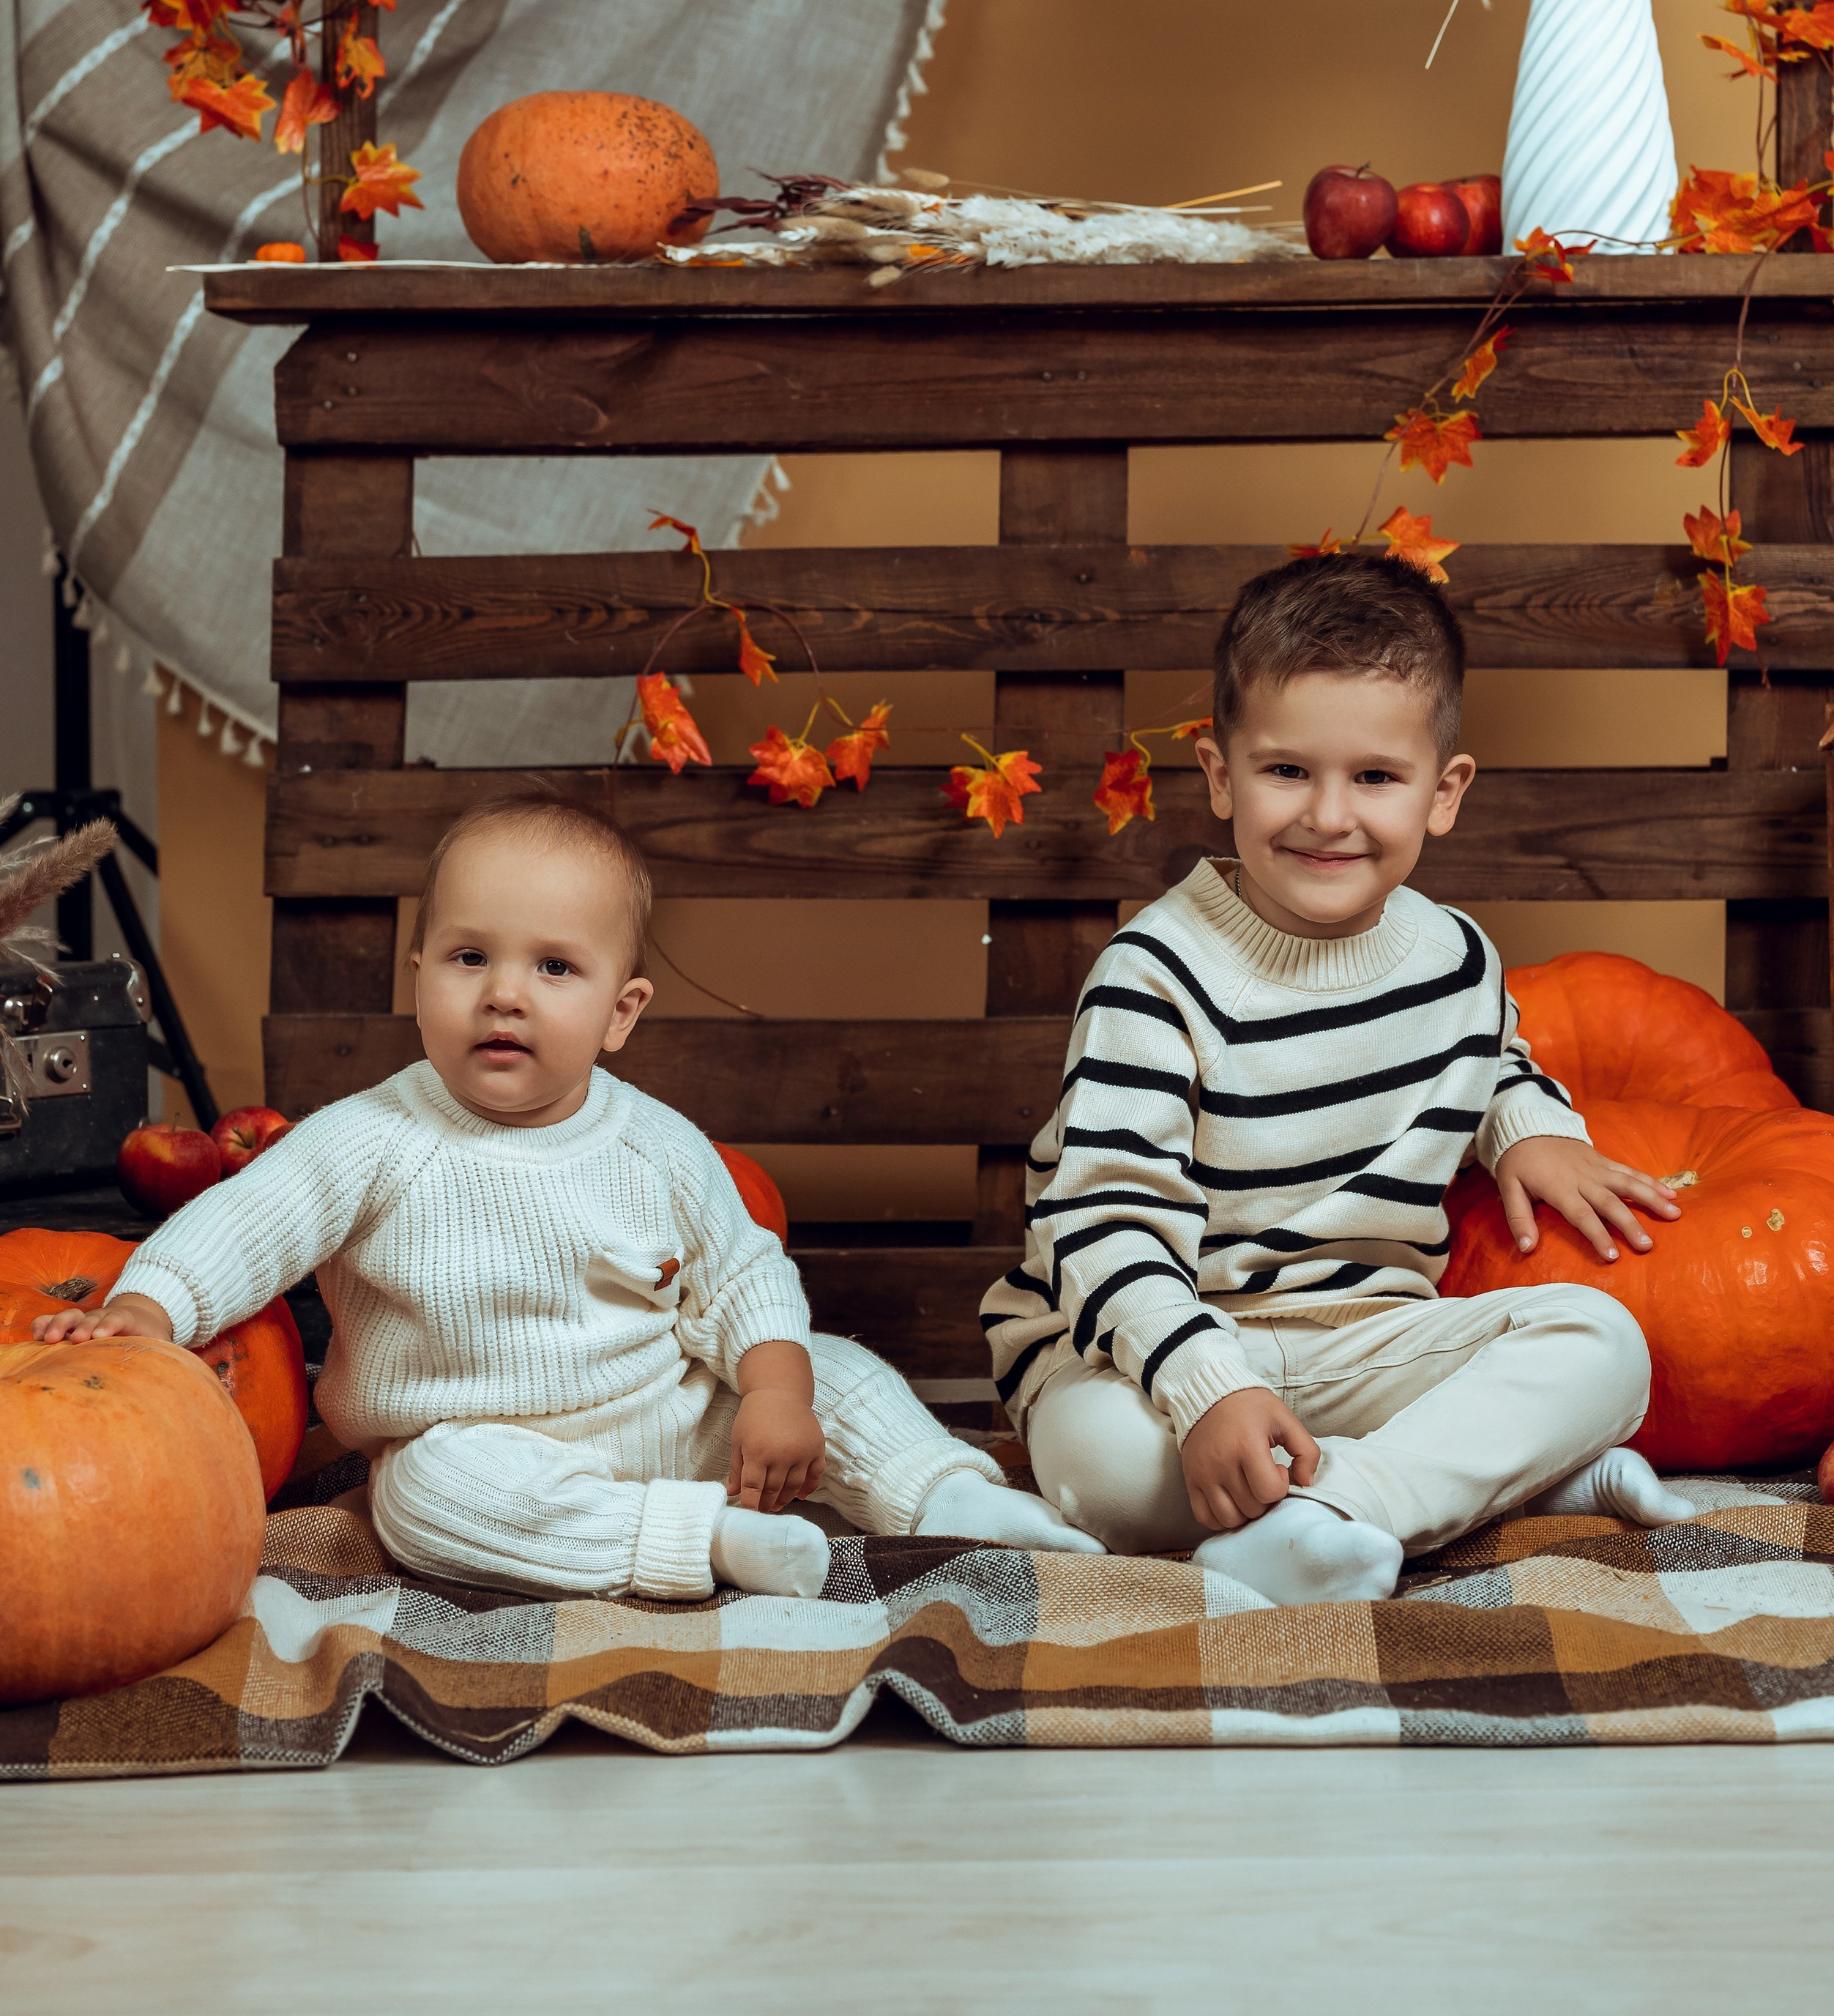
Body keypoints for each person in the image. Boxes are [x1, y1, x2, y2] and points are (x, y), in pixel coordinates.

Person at [37, 793, 1100, 1599]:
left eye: (553, 968)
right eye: (468, 957)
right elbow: (244, 1222)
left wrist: (775, 1393)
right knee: (419, 1503)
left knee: (840, 1374)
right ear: (419, 975)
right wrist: (151, 1306)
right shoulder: (369, 1138)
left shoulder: (654, 1143)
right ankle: (703, 1542)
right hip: (486, 1444)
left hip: (674, 1413)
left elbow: (742, 1277)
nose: (503, 992)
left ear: (620, 1011)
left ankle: (949, 1497)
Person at [980, 551, 1697, 1608]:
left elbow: (1492, 1057)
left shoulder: (1456, 956)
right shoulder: (1154, 974)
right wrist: (1204, 1387)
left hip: (1362, 1338)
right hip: (1154, 1346)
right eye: (1285, 772)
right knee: (1108, 1471)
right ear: (1220, 774)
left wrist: (1526, 1127)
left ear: (1442, 794)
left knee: (1606, 1347)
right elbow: (1105, 1219)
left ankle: (1338, 1507)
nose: (1328, 815)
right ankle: (1471, 1488)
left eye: (1374, 776)